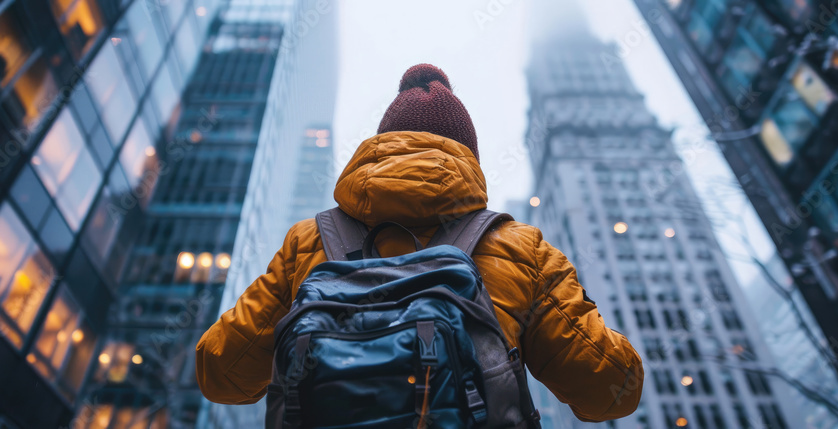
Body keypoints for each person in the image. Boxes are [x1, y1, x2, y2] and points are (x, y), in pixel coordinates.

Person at [196, 64, 644, 422]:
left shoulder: (308, 240)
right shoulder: (520, 248)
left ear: (380, 145)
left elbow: (220, 374)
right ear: (467, 156)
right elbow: (611, 392)